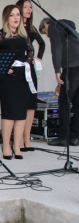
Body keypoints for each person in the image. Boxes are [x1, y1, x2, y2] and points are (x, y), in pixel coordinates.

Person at [0, 5, 34, 159]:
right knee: (9, 112)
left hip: (22, 77)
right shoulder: (1, 35)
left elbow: (31, 51)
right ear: (6, 18)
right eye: (12, 15)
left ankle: (17, 146)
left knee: (20, 113)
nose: (16, 18)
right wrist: (2, 66)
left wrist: (27, 63)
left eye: (18, 14)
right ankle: (6, 146)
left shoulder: (23, 35)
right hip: (6, 79)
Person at [39, 18, 79, 146]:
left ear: (46, 24)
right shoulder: (68, 28)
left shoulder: (53, 26)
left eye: (45, 32)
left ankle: (63, 137)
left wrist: (57, 70)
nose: (48, 35)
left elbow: (56, 49)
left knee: (64, 102)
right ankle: (74, 136)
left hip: (72, 66)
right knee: (77, 102)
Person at [16, 0, 45, 152]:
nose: (28, 9)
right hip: (19, 68)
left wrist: (38, 58)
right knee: (21, 102)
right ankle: (18, 139)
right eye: (25, 7)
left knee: (31, 103)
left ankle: (27, 137)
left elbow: (42, 43)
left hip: (30, 68)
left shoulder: (32, 28)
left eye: (30, 7)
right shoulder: (16, 27)